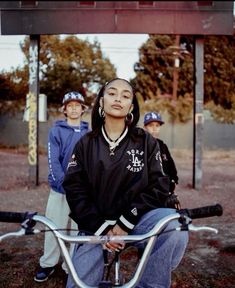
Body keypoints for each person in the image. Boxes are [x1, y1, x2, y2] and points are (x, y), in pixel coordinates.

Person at [63, 78, 188, 288]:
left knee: (174, 224)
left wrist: (125, 222)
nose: (118, 98)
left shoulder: (146, 141)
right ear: (101, 102)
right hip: (96, 226)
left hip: (138, 221)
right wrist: (103, 229)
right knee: (77, 285)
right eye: (112, 93)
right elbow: (75, 190)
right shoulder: (85, 143)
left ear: (131, 106)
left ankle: (150, 284)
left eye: (125, 95)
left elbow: (160, 185)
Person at [34, 91, 90, 282]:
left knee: (77, 230)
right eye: (70, 105)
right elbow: (54, 161)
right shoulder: (56, 131)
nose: (74, 109)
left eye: (78, 105)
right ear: (64, 109)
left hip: (81, 192)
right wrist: (63, 183)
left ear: (83, 109)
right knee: (54, 227)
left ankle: (70, 265)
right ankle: (48, 263)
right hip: (60, 189)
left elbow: (90, 161)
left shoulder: (88, 133)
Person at [143, 111, 179, 194]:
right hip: (149, 189)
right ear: (145, 127)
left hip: (165, 188)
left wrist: (174, 179)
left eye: (157, 125)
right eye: (151, 125)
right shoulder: (141, 146)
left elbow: (170, 164)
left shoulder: (162, 146)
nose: (154, 128)